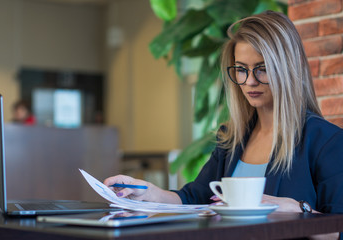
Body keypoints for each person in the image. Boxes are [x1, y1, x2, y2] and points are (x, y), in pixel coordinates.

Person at [104, 11, 343, 239]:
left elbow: (338, 230)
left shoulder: (326, 141)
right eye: (241, 69)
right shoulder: (232, 138)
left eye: (262, 69)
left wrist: (298, 210)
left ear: (287, 69)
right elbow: (194, 198)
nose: (250, 81)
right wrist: (148, 192)